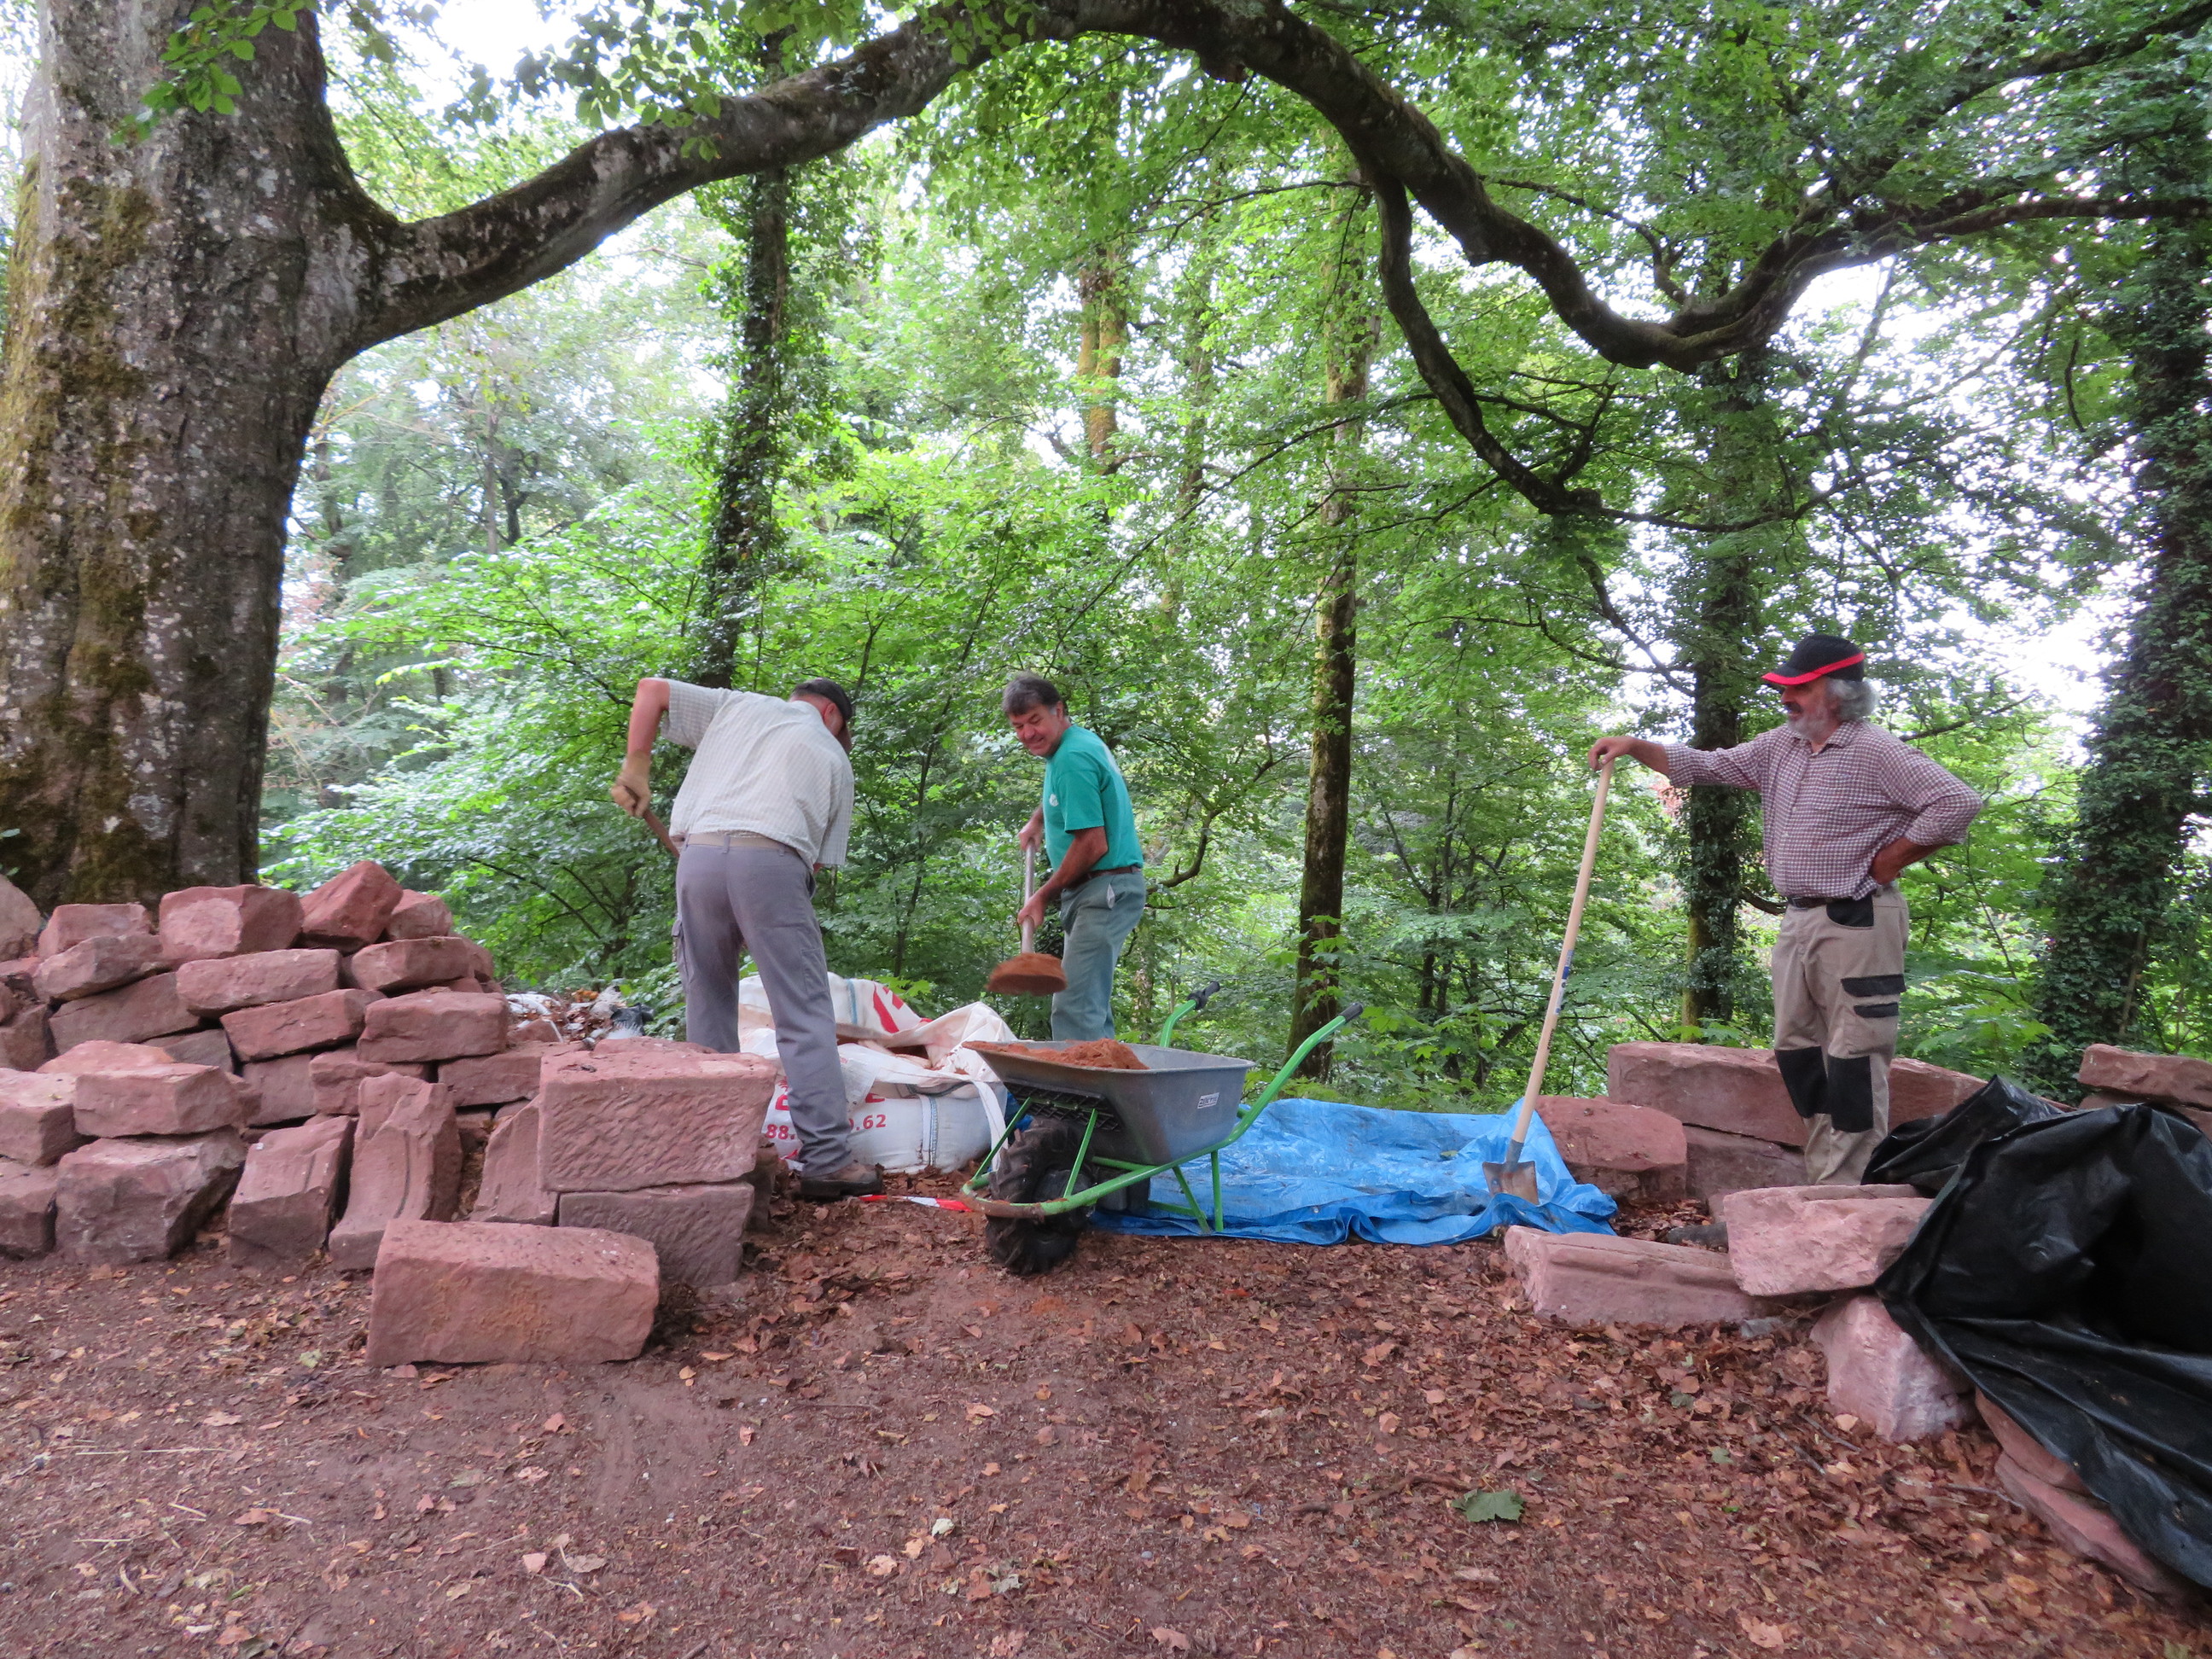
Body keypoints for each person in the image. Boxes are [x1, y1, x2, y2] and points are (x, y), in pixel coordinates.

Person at [1589, 633, 1982, 1189]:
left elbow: (1958, 802)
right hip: (1799, 919)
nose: (1786, 698)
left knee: (1854, 1057)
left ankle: (1846, 1192)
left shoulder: (1878, 752)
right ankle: (1825, 1175)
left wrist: (1890, 861)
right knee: (1797, 1051)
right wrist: (1635, 746)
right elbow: (1709, 765)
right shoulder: (1782, 746)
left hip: (1860, 921)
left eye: (1800, 688)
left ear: (1840, 693)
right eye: (1784, 688)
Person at [612, 674, 882, 1201]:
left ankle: (716, 1150)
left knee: (709, 1004)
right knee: (802, 1014)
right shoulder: (832, 754)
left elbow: (650, 690)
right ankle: (827, 1162)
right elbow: (815, 865)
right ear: (832, 715)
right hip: (773, 863)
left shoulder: (736, 707)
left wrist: (636, 765)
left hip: (697, 859)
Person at [1004, 674, 1146, 1039]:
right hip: (1100, 889)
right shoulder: (1076, 743)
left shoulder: (1072, 757)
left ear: (1059, 710)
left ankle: (1079, 1080)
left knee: (1075, 1008)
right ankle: (1105, 1075)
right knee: (1089, 1008)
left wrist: (1042, 896)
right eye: (1018, 726)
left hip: (1104, 891)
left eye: (1035, 720)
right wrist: (1038, 820)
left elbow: (1092, 844)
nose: (1027, 733)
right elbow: (1070, 795)